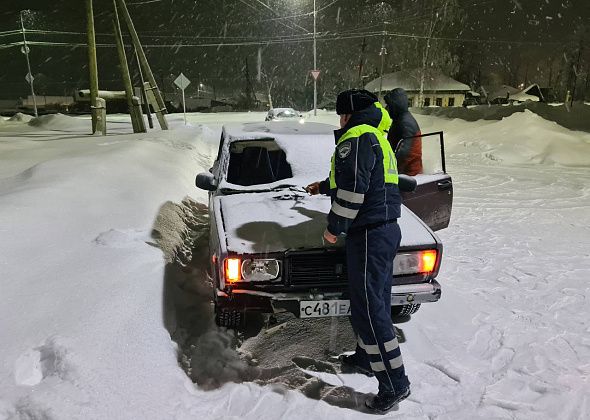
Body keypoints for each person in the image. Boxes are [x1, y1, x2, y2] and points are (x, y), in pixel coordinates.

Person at [306, 89, 411, 413]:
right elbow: (360, 177)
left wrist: (333, 229)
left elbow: (353, 191)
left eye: (340, 114)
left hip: (368, 233)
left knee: (370, 311)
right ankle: (367, 359)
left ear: (349, 114)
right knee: (369, 303)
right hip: (382, 229)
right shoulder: (375, 135)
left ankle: (395, 384)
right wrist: (323, 187)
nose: (339, 120)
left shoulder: (356, 137)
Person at [384, 88, 423, 176]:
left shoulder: (405, 123)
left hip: (409, 174)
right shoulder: (399, 120)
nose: (386, 108)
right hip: (403, 173)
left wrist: (387, 168)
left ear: (395, 105)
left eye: (388, 105)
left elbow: (405, 152)